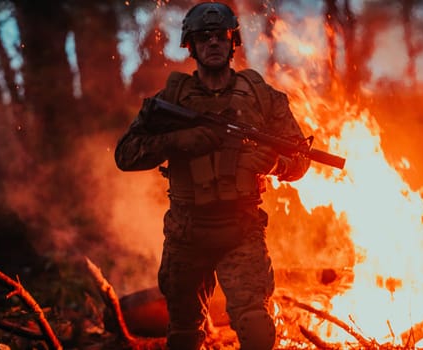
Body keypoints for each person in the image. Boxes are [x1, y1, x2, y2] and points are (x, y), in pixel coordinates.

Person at [115, 2, 310, 349]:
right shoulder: (171, 100)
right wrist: (177, 141)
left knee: (256, 327)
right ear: (190, 45)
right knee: (185, 334)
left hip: (242, 230)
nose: (214, 43)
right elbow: (126, 154)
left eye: (221, 36)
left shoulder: (262, 97)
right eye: (204, 37)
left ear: (233, 41)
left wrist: (276, 165)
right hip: (186, 234)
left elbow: (301, 159)